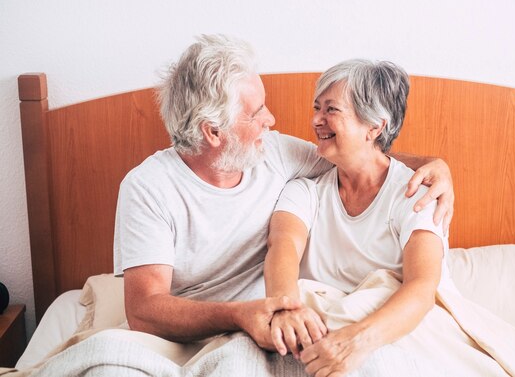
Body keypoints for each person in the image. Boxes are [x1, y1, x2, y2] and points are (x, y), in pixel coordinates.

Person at [113, 34, 454, 351]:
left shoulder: (273, 153)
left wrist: (433, 164)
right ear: (213, 132)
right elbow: (143, 310)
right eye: (257, 112)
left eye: (330, 109)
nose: (271, 120)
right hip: (193, 330)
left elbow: (360, 155)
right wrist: (239, 314)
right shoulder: (148, 188)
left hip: (268, 323)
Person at [264, 59, 447, 376]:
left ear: (375, 126)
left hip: (385, 333)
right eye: (317, 108)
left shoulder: (416, 195)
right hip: (315, 334)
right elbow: (282, 249)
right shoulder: (303, 192)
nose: (316, 120)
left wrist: (356, 343)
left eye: (331, 110)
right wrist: (285, 309)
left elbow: (421, 289)